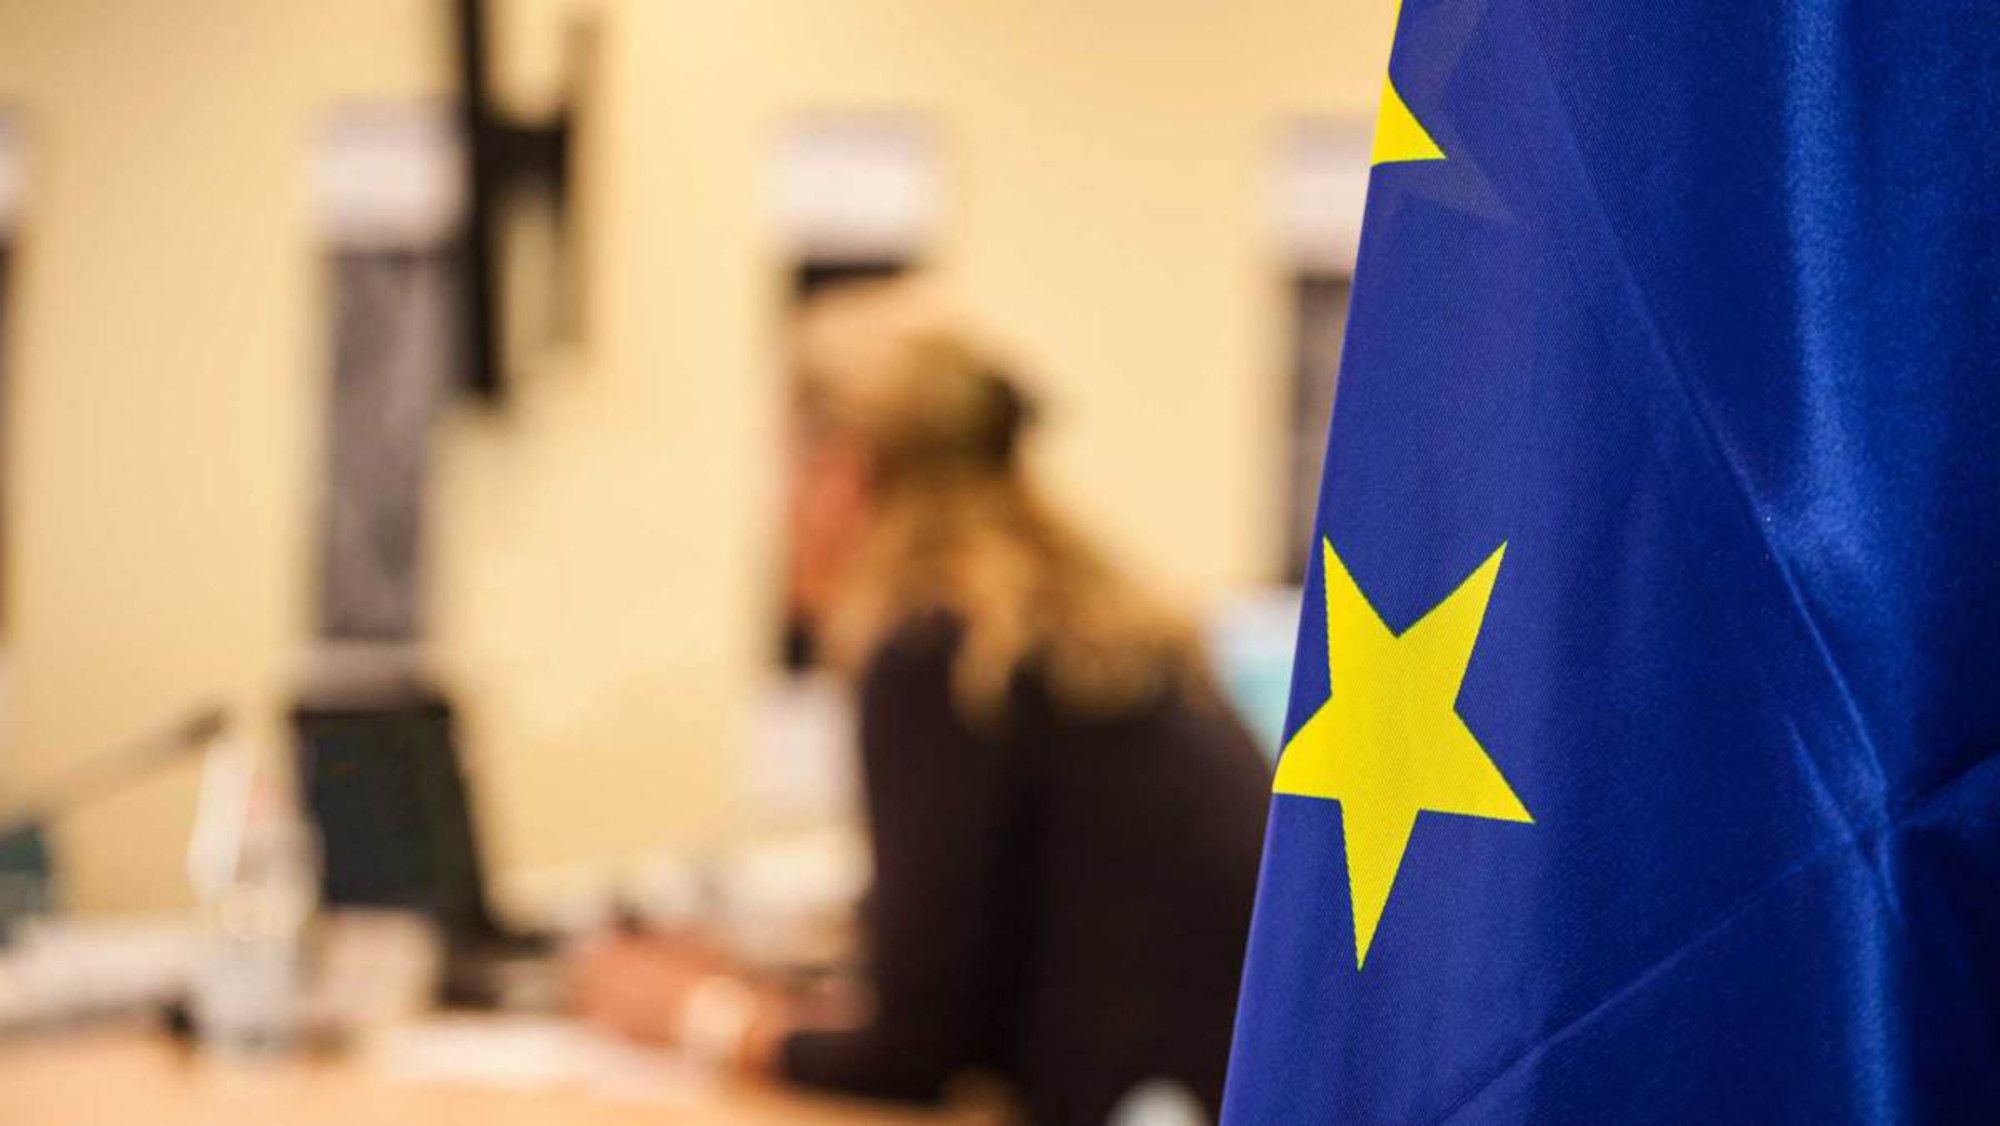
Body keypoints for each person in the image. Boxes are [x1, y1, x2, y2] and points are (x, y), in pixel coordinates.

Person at [572, 279, 1271, 1126]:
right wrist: (763, 987)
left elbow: (910, 1054)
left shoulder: (940, 650)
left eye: (789, 463)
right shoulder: (1076, 615)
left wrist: (693, 1015)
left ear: (844, 475)